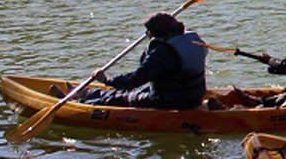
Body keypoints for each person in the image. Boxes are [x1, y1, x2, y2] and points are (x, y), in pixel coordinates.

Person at [76, 12, 207, 109]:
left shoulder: (162, 53)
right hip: (194, 95)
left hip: (170, 101)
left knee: (127, 97)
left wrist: (106, 80)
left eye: (149, 32)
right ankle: (89, 93)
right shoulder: (191, 41)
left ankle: (80, 104)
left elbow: (134, 80)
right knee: (140, 91)